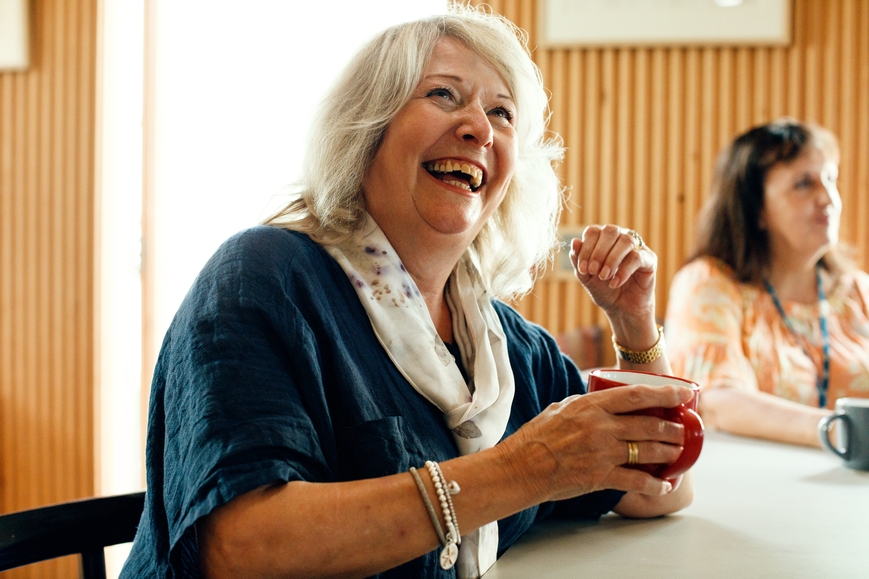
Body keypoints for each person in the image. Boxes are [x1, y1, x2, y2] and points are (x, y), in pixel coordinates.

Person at [121, 7, 694, 579]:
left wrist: (635, 324)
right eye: (444, 95)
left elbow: (658, 489)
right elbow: (244, 550)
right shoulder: (264, 277)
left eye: (502, 112)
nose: (480, 128)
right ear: (367, 127)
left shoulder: (502, 341)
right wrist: (529, 468)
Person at [665, 118, 869, 448]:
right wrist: (841, 431)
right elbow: (716, 402)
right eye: (804, 184)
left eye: (830, 179)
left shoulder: (859, 291)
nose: (829, 198)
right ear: (756, 209)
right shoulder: (710, 283)